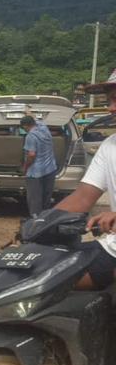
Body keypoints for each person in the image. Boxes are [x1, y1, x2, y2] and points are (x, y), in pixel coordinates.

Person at [54, 81, 116, 288]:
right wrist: (42, 223)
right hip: (112, 248)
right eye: (109, 101)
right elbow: (82, 197)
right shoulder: (110, 146)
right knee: (48, 278)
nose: (111, 108)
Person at [21, 114, 57, 216]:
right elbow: (37, 121)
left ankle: (35, 220)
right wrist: (29, 113)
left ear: (25, 126)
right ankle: (44, 218)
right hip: (50, 170)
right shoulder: (44, 129)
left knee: (35, 199)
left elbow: (31, 155)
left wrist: (25, 167)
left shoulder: (30, 136)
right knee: (46, 197)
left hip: (35, 173)